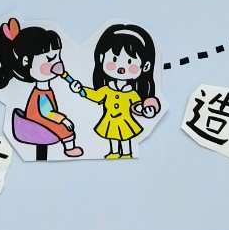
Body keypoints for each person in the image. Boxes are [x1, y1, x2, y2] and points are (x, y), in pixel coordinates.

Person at [0, 17, 82, 158]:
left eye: (58, 57)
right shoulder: (41, 94)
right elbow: (47, 113)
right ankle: (69, 148)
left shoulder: (45, 90)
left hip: (42, 117)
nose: (57, 63)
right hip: (38, 119)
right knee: (65, 129)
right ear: (26, 61)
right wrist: (63, 119)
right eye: (50, 59)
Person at [67, 23, 160, 159]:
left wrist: (145, 110)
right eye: (114, 59)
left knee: (126, 137)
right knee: (112, 137)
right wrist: (81, 90)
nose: (121, 68)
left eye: (130, 62)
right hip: (110, 120)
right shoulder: (106, 90)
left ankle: (127, 153)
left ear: (144, 66)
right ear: (101, 59)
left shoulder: (132, 93)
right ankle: (114, 152)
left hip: (125, 121)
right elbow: (96, 96)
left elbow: (136, 105)